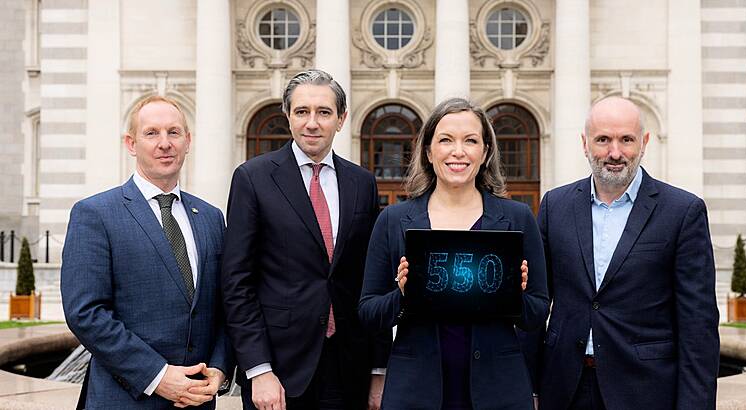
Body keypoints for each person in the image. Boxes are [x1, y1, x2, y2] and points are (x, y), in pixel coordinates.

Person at [358, 97, 549, 409]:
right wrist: (404, 294)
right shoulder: (393, 220)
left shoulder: (517, 218)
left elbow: (537, 313)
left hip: (498, 390)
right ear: (429, 151)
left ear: (485, 152)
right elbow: (369, 313)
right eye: (445, 140)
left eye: (470, 141)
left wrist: (513, 295)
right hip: (415, 390)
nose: (458, 151)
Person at [534, 96, 720, 410]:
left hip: (645, 391)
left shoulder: (682, 212)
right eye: (603, 139)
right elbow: (537, 305)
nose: (615, 153)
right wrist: (528, 387)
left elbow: (697, 328)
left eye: (626, 140)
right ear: (585, 143)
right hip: (564, 390)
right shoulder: (555, 206)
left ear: (644, 142)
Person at [220, 69, 390, 410]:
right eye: (302, 112)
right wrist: (258, 369)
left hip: (348, 368)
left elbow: (373, 279)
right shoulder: (252, 179)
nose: (312, 123)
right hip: (279, 372)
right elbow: (236, 282)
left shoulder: (362, 183)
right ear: (288, 116)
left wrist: (378, 369)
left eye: (324, 112)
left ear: (341, 119)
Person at [61, 95, 233, 408]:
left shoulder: (210, 217)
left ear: (188, 141)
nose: (165, 143)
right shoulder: (95, 214)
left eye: (174, 132)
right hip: (124, 399)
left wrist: (220, 370)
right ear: (131, 143)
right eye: (151, 133)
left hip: (196, 402)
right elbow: (85, 313)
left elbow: (224, 305)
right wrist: (157, 376)